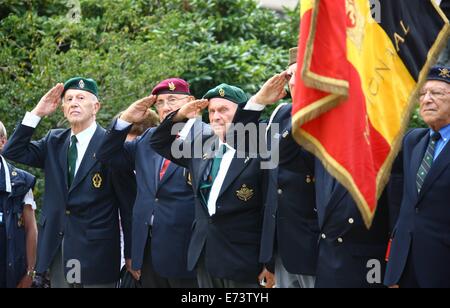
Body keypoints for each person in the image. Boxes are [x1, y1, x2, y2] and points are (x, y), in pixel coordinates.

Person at [234, 50, 402, 288]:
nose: (292, 82)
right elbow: (243, 143)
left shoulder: (337, 117)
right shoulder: (284, 114)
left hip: (320, 244)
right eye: (289, 75)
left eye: (300, 75)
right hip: (284, 243)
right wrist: (259, 100)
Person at [2, 77, 132, 288]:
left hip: (95, 255)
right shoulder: (54, 141)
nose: (74, 103)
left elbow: (127, 206)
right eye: (69, 99)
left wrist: (131, 254)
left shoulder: (109, 146)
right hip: (58, 251)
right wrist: (38, 112)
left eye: (81, 98)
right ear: (62, 108)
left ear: (96, 106)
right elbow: (13, 150)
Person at [150, 84, 274, 288]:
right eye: (212, 111)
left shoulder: (261, 149)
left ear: (242, 113)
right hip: (205, 255)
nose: (216, 116)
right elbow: (159, 142)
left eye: (224, 110)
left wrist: (269, 262)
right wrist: (180, 115)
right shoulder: (203, 146)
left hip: (244, 261)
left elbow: (269, 209)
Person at [98, 78, 199, 288]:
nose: (165, 107)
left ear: (190, 101)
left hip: (187, 250)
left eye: (172, 100)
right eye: (160, 103)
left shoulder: (206, 137)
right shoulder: (149, 138)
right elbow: (106, 156)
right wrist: (125, 119)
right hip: (148, 250)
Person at [384, 66, 450, 288]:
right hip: (404, 268)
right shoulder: (413, 141)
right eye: (422, 94)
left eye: (437, 93)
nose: (427, 100)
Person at [0, 121, 37, 288]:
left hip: (10, 275)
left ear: (2, 142)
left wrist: (30, 273)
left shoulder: (22, 182)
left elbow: (31, 229)